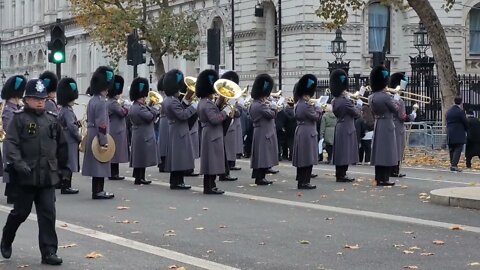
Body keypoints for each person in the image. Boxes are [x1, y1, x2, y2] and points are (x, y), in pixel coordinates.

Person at [1, 78, 67, 265]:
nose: (40, 102)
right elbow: (11, 143)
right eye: (35, 98)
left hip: (47, 175)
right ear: (26, 99)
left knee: (48, 214)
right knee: (20, 213)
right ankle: (7, 238)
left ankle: (48, 252)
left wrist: (64, 170)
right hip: (26, 175)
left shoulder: (52, 119)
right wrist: (18, 163)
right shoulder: (19, 118)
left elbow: (61, 146)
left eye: (43, 98)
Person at [81, 66, 115, 199]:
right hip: (98, 134)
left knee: (97, 164)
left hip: (91, 132)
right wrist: (104, 141)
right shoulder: (101, 102)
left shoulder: (92, 100)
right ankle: (98, 191)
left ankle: (97, 190)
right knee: (100, 163)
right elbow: (102, 124)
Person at [196, 69, 232, 194]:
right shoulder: (207, 104)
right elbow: (215, 119)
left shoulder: (205, 102)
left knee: (212, 161)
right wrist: (226, 111)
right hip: (212, 134)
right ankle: (209, 187)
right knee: (211, 162)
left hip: (210, 134)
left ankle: (212, 185)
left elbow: (213, 111)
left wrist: (220, 103)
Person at [163, 69, 197, 189]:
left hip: (177, 130)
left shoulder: (171, 100)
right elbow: (183, 115)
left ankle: (177, 180)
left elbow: (181, 109)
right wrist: (194, 106)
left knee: (178, 157)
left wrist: (187, 100)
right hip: (179, 131)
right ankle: (177, 182)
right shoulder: (172, 101)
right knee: (179, 157)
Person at [368, 66, 398, 186]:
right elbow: (396, 109)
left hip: (378, 123)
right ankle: (384, 179)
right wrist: (395, 97)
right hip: (387, 124)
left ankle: (378, 177)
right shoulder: (386, 97)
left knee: (379, 153)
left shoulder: (371, 97)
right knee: (386, 152)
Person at [330, 69, 360, 182]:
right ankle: (342, 175)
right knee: (345, 152)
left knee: (340, 152)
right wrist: (357, 104)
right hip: (347, 128)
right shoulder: (346, 101)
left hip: (339, 126)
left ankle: (339, 174)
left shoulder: (335, 100)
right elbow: (356, 113)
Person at [292, 74, 321, 189]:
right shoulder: (306, 106)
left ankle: (301, 180)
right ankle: (305, 181)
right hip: (308, 132)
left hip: (302, 131)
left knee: (302, 158)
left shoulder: (299, 103)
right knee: (307, 158)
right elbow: (316, 117)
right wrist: (318, 108)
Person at [128, 77, 159, 185]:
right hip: (142, 135)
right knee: (141, 158)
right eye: (143, 97)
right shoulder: (139, 108)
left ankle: (140, 177)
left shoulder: (137, 106)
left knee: (140, 158)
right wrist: (154, 109)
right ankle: (139, 178)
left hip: (140, 134)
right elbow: (150, 116)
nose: (144, 99)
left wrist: (148, 106)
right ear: (139, 97)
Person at [1, 75, 27, 204]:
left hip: (19, 145)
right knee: (12, 170)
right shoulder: (8, 110)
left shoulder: (16, 108)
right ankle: (12, 196)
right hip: (12, 144)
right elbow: (10, 128)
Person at [249, 74, 278, 185]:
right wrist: (274, 107)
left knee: (259, 156)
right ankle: (260, 178)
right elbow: (272, 115)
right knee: (263, 156)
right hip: (264, 133)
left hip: (261, 132)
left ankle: (258, 176)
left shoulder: (256, 104)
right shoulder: (261, 106)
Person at [389, 72, 416, 177]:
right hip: (398, 127)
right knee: (398, 149)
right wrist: (413, 115)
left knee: (391, 149)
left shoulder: (388, 98)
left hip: (389, 125)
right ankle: (395, 170)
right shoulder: (399, 101)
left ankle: (390, 170)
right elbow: (403, 117)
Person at [56, 77, 81, 194]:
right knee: (69, 163)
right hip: (69, 140)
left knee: (66, 162)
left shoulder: (64, 109)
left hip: (65, 138)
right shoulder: (67, 110)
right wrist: (79, 137)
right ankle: (66, 186)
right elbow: (71, 126)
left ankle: (64, 184)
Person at [219, 71, 241, 181]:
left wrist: (233, 110)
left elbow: (237, 111)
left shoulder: (231, 98)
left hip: (228, 123)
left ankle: (225, 172)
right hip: (221, 125)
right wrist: (226, 109)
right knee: (223, 150)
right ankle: (223, 173)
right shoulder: (219, 98)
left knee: (225, 149)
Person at [107, 75, 129, 180]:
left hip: (114, 129)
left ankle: (114, 173)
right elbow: (122, 113)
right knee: (114, 153)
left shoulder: (110, 102)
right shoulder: (113, 103)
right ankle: (113, 173)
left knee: (114, 153)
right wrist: (125, 106)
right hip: (116, 130)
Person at [446, 96, 468, 172]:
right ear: (461, 102)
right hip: (458, 132)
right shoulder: (460, 111)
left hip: (450, 132)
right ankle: (454, 165)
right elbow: (465, 122)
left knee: (451, 149)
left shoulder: (449, 111)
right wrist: (466, 129)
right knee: (458, 148)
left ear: (454, 101)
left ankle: (452, 164)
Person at [156, 75, 169, 172]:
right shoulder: (165, 98)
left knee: (164, 143)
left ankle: (163, 163)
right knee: (164, 144)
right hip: (165, 120)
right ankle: (163, 164)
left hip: (165, 120)